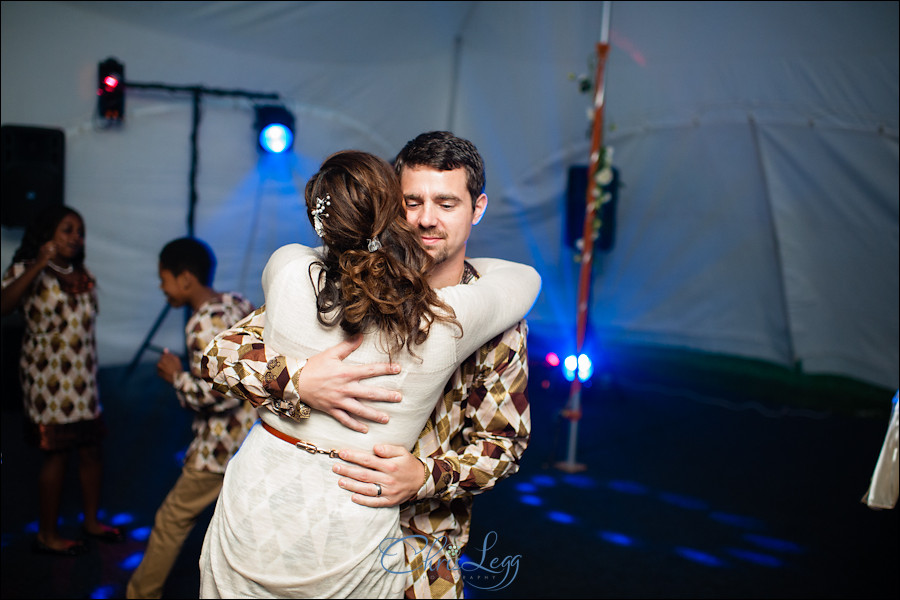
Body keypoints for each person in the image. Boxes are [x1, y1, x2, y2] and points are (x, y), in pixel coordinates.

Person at [198, 149, 540, 598]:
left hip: (424, 547)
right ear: (388, 208)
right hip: (308, 526)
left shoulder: (499, 324)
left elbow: (504, 444)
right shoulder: (334, 283)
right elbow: (222, 355)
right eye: (412, 202)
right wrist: (298, 381)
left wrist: (426, 475)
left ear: (477, 208)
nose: (426, 219)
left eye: (446, 203)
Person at [125, 237, 255, 598]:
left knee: (170, 520)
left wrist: (176, 376)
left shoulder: (200, 324)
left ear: (184, 280)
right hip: (253, 436)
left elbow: (219, 392)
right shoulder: (237, 303)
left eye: (163, 279)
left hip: (220, 444)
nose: (161, 287)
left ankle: (140, 594)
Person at [0, 206, 124, 556]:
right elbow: (4, 305)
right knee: (56, 454)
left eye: (80, 231)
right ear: (47, 234)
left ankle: (90, 522)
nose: (75, 237)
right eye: (67, 229)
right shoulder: (26, 270)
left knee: (91, 450)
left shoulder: (81, 273)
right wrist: (39, 265)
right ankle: (47, 534)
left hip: (83, 380)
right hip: (47, 380)